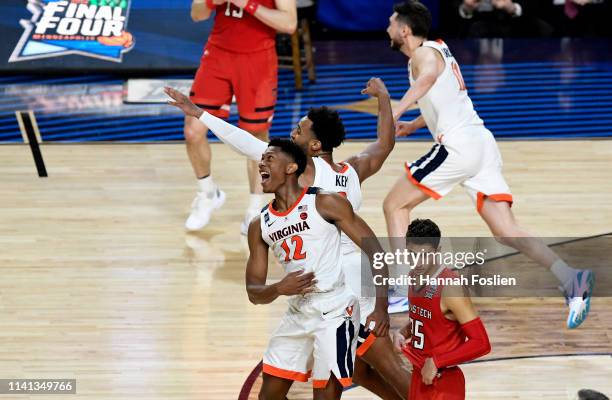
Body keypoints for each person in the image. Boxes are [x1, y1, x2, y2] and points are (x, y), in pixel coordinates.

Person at [166, 80, 411, 399]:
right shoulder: (352, 169)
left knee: (382, 365)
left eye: (299, 131)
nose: (293, 134)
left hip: (336, 281)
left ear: (312, 147)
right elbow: (385, 142)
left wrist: (200, 114)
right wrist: (383, 99)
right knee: (363, 367)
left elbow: (247, 144)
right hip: (360, 271)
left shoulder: (305, 172)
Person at [384, 0, 594, 329]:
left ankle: (399, 288)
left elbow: (425, 80)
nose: (387, 27)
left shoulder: (422, 55)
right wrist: (413, 125)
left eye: (391, 22)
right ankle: (571, 278)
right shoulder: (441, 48)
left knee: (394, 205)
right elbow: (444, 98)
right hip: (481, 143)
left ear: (405, 31)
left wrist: (395, 111)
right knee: (506, 230)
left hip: (458, 146)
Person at [246, 139, 390, 399]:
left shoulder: (325, 202)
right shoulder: (260, 224)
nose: (261, 164)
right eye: (262, 159)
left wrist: (381, 307)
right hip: (298, 311)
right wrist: (279, 288)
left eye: (269, 159)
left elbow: (375, 251)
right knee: (268, 397)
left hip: (336, 311)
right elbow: (253, 291)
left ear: (291, 168)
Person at [184, 0, 297, 233]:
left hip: (258, 60)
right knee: (193, 130)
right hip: (218, 54)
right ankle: (207, 193)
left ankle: (255, 210)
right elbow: (196, 14)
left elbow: (289, 23)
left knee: (255, 137)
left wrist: (247, 4)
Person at [392, 218, 491, 400]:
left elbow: (481, 343)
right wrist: (403, 332)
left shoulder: (451, 287)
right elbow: (428, 319)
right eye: (413, 254)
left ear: (438, 251)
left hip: (443, 381)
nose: (419, 262)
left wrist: (438, 361)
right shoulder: (413, 276)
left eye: (425, 255)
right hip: (420, 375)